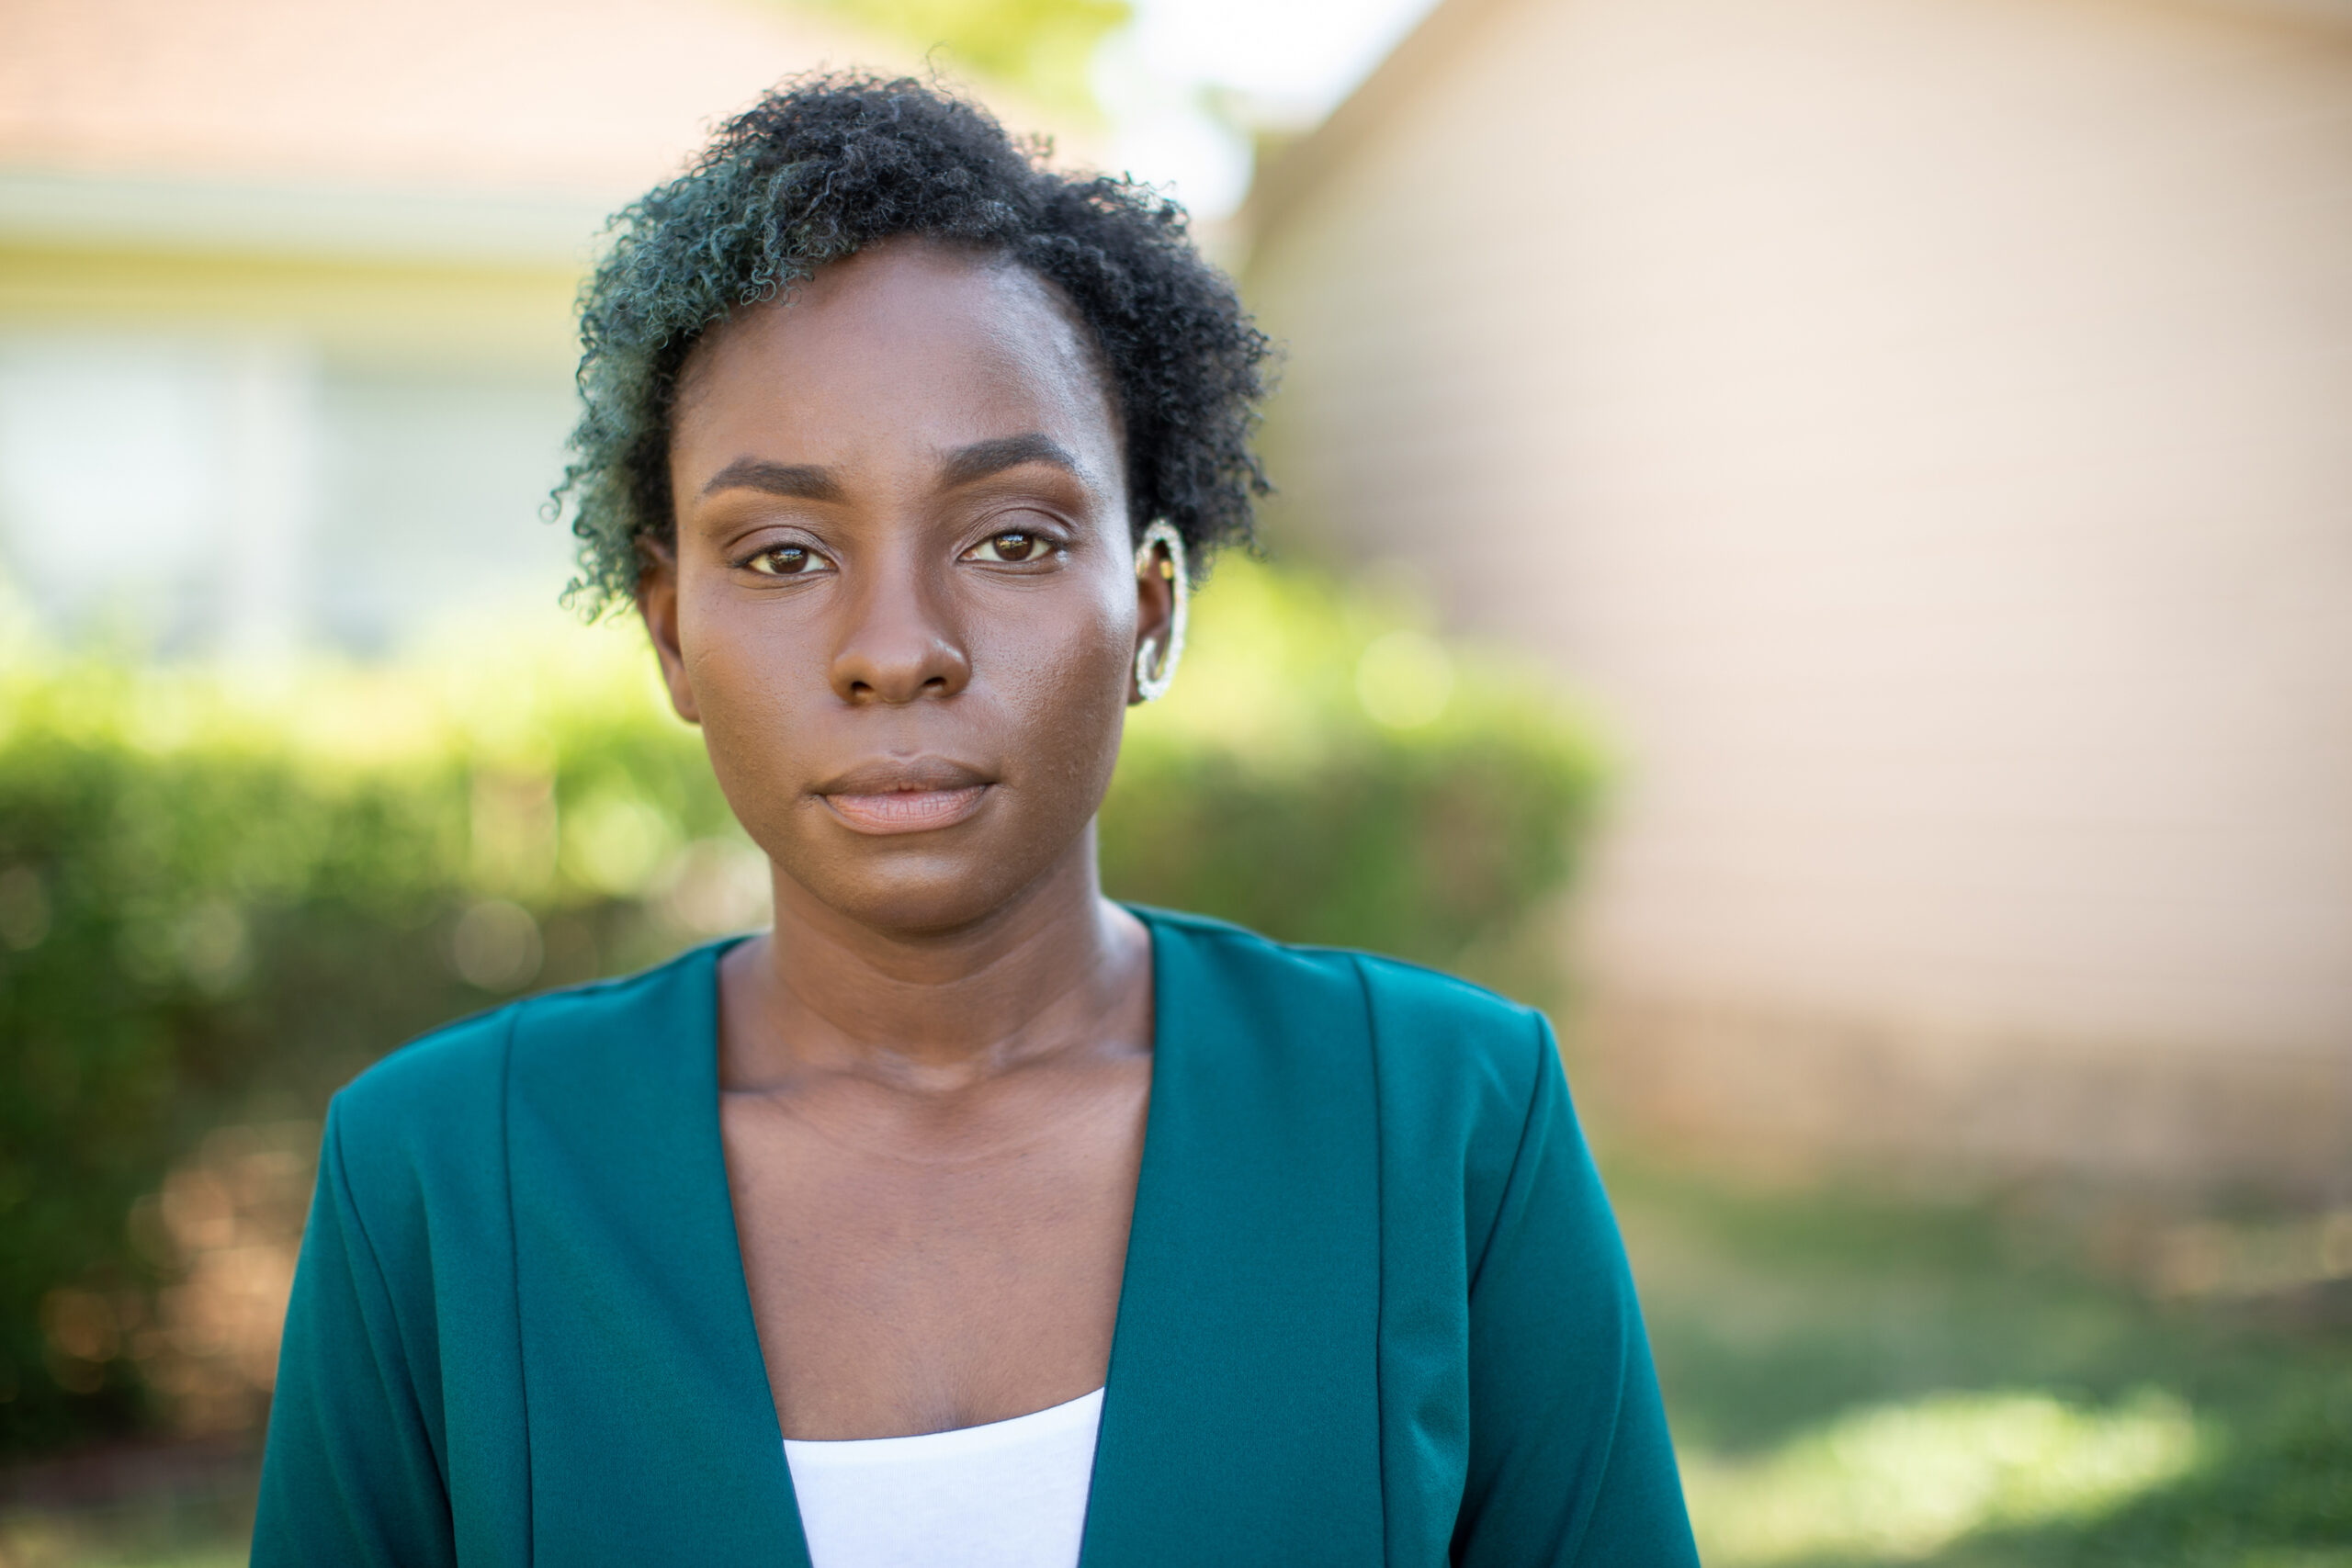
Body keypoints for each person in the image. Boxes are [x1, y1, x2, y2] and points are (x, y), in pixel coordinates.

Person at [251, 74, 1699, 1568]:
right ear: (671, 632)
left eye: (1010, 537)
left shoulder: (1448, 1119)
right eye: (783, 551)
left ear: (1149, 609)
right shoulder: (441, 1174)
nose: (898, 647)